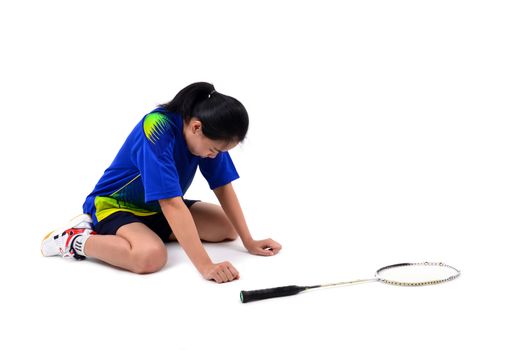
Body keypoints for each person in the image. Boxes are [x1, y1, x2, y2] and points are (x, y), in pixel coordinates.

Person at [41, 82, 281, 283]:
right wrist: (206, 266)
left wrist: (249, 241)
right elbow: (171, 203)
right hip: (115, 205)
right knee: (150, 257)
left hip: (156, 208)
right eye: (214, 150)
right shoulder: (156, 127)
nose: (215, 155)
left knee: (227, 227)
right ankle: (74, 239)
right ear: (196, 127)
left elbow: (223, 186)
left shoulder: (207, 137)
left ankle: (150, 233)